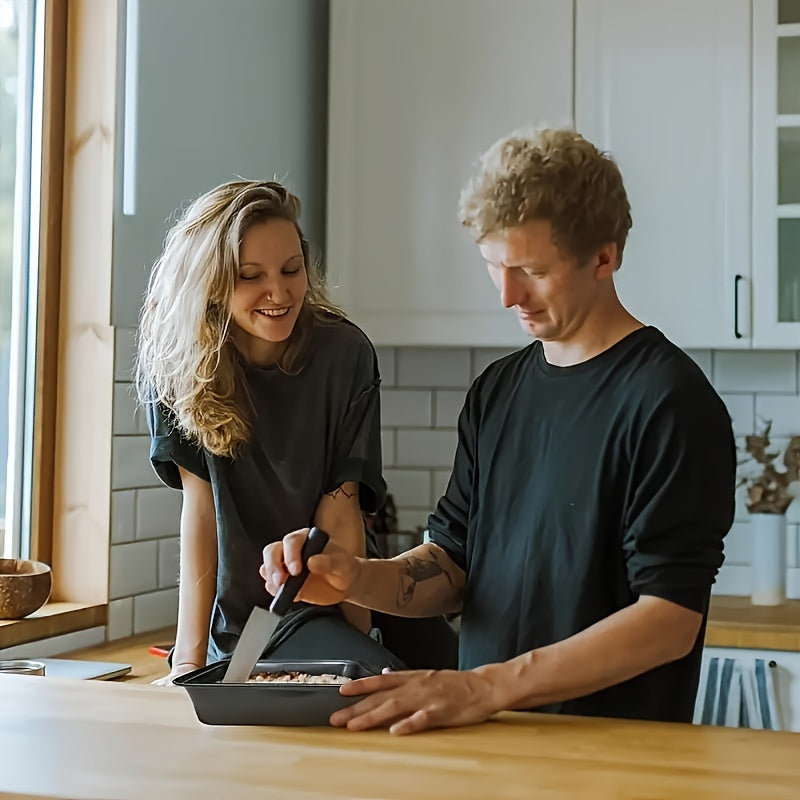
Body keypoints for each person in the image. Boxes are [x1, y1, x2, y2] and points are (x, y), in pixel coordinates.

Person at [262, 128, 737, 734]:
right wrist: (354, 577)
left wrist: (484, 686)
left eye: (532, 270)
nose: (510, 295)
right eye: (495, 266)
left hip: (611, 756)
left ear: (604, 257)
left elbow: (669, 621)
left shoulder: (670, 402)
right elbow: (452, 565)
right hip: (490, 744)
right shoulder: (497, 391)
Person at [136, 179, 455, 684]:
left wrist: (361, 636)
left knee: (467, 674)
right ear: (211, 283)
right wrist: (189, 663)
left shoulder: (344, 355)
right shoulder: (180, 366)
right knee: (377, 685)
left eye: (292, 269)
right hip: (254, 624)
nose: (280, 293)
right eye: (251, 276)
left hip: (351, 589)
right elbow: (201, 512)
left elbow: (341, 511)